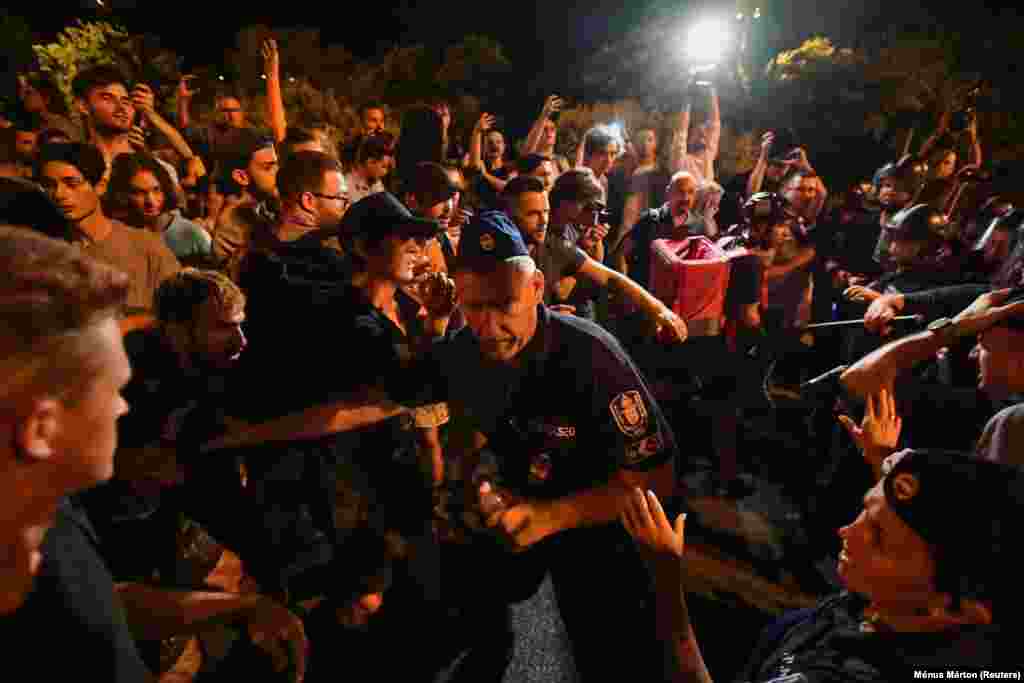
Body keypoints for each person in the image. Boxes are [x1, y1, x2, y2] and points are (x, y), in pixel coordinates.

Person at [437, 210, 681, 681]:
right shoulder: (464, 353)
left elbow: (657, 479)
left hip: (601, 528)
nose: (488, 326)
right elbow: (469, 434)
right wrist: (482, 481)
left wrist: (555, 515)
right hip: (521, 505)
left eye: (504, 305)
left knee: (605, 650)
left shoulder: (593, 358)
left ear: (536, 288)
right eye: (474, 307)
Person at [623, 447, 1017, 681]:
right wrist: (880, 459)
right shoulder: (896, 604)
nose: (848, 532)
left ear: (954, 609)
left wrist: (666, 582)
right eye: (866, 512)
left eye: (878, 538)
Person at [0, 225, 155, 680]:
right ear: (41, 428)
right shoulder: (48, 544)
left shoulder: (46, 527)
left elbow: (90, 615)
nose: (123, 407)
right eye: (114, 389)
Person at [503, 175, 687, 343]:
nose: (543, 220)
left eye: (545, 212)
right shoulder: (497, 253)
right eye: (533, 214)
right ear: (508, 215)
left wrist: (660, 310)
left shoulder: (554, 244)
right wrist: (542, 316)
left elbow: (610, 277)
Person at [36, 142, 181, 311]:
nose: (59, 194)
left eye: (72, 183)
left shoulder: (148, 248)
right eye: (49, 185)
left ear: (100, 186)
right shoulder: (45, 255)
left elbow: (183, 313)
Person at [102, 152, 213, 266]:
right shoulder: (115, 236)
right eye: (139, 193)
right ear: (123, 195)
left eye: (156, 190)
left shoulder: (194, 236)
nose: (150, 201)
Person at [212, 130, 280, 270]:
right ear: (241, 177)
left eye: (276, 165)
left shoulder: (261, 208)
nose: (278, 172)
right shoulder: (232, 227)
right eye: (268, 167)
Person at [469, 112, 517, 210]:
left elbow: (507, 188)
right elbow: (475, 165)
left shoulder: (510, 168)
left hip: (502, 215)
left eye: (498, 142)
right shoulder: (481, 164)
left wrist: (485, 175)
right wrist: (477, 131)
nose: (494, 145)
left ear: (504, 146)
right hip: (480, 213)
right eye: (490, 142)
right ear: (483, 147)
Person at [522, 94, 571, 173]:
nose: (549, 132)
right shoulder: (530, 160)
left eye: (552, 129)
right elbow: (527, 156)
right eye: (544, 129)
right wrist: (544, 115)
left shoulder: (561, 160)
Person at [345, 133, 393, 205]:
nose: (385, 172)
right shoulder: (346, 187)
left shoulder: (377, 185)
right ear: (370, 162)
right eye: (383, 166)